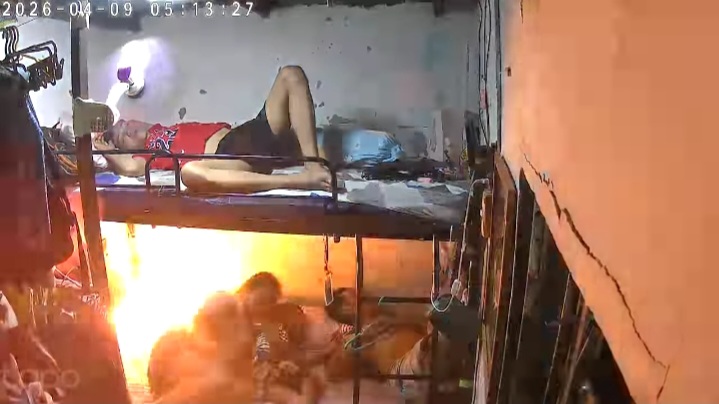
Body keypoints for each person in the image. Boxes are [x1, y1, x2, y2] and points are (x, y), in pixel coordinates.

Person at [92, 66, 332, 194]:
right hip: (227, 159)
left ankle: (313, 166)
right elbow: (129, 168)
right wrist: (100, 146)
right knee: (189, 173)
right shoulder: (147, 156)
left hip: (245, 136)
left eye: (126, 124)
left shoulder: (165, 128)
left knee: (290, 74)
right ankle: (299, 180)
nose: (128, 130)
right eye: (123, 137)